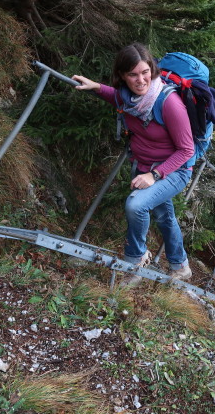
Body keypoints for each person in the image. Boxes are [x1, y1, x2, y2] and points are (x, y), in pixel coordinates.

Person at [73, 43, 195, 283]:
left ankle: (134, 260)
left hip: (173, 170)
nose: (141, 80)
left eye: (145, 72)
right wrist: (96, 87)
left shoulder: (168, 103)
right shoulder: (129, 97)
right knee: (164, 216)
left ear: (153, 70)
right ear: (122, 76)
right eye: (133, 74)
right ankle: (180, 266)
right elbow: (117, 96)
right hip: (145, 166)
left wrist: (155, 175)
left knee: (135, 205)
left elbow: (186, 150)